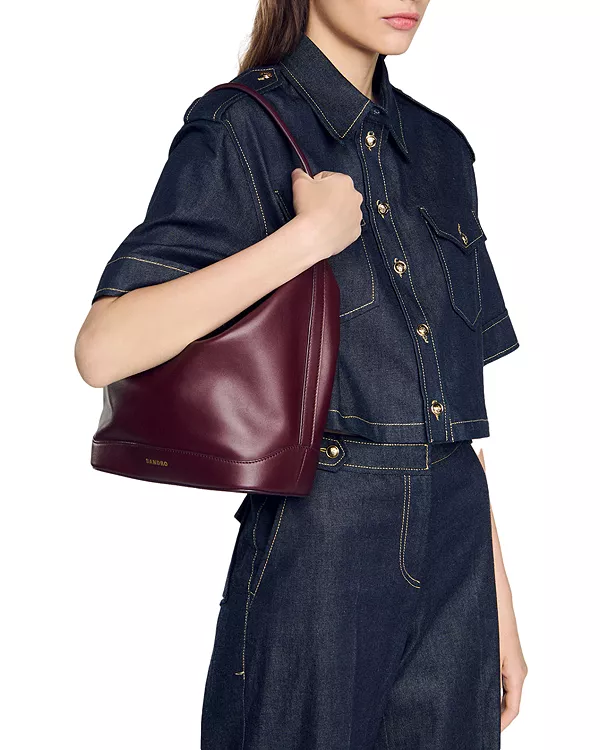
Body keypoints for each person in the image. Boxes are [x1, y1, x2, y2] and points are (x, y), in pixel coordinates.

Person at [75, 1, 528, 747]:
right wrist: (307, 237)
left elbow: (455, 419)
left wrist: (499, 608)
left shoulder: (441, 149)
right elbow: (103, 348)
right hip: (323, 533)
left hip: (458, 549)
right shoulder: (243, 126)